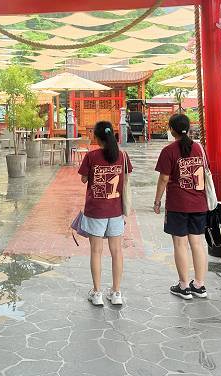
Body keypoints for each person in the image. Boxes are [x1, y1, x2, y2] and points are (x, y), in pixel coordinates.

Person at [153, 113, 209, 300]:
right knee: (197, 243)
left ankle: (184, 285)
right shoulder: (199, 148)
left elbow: (163, 179)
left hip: (178, 203)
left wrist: (157, 200)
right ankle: (199, 285)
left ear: (171, 129)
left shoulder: (169, 151)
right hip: (199, 203)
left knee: (180, 244)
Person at [78, 120, 132, 306]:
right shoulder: (122, 156)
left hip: (96, 210)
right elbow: (125, 178)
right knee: (117, 252)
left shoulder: (91, 156)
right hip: (116, 210)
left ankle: (97, 292)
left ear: (97, 137)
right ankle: (116, 293)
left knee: (96, 251)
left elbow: (84, 179)